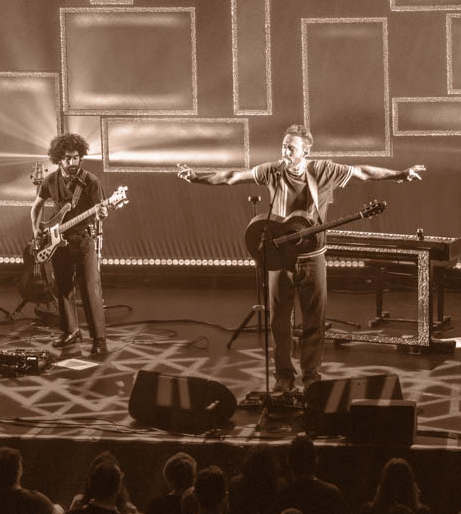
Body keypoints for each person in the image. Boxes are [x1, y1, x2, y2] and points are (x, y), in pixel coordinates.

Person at [178, 124, 424, 390]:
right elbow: (232, 177)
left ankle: (311, 379)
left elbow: (362, 172)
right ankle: (284, 378)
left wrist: (400, 174)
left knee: (313, 323)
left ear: (306, 151)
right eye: (284, 146)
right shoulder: (273, 171)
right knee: (279, 322)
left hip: (312, 257)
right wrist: (196, 177)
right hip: (279, 259)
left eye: (291, 148)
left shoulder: (323, 171)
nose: (285, 152)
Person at [30, 133, 110, 355]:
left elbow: (100, 211)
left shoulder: (91, 181)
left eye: (76, 157)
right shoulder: (50, 180)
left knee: (90, 288)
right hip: (58, 241)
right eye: (67, 158)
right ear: (58, 158)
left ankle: (99, 338)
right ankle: (71, 331)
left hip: (83, 239)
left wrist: (102, 213)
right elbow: (36, 207)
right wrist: (36, 230)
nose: (73, 162)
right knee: (63, 286)